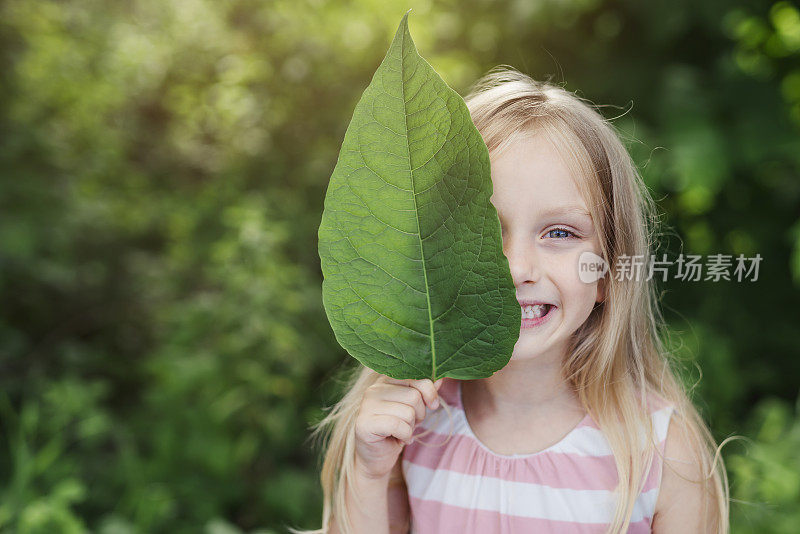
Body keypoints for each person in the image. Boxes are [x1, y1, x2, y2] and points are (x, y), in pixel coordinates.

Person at [296, 66, 730, 534]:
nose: (517, 268)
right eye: (485, 230)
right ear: (430, 257)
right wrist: (369, 472)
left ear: (607, 271)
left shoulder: (661, 453)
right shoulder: (412, 428)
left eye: (560, 233)